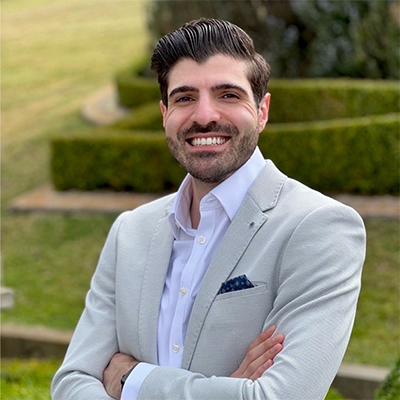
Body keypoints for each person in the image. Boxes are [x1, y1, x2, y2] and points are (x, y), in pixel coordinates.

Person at [51, 18, 366, 400]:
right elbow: (71, 383)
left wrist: (129, 379)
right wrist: (228, 389)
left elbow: (279, 397)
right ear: (165, 113)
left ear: (262, 111)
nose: (204, 116)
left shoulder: (320, 228)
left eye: (228, 95)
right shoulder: (129, 232)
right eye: (185, 98)